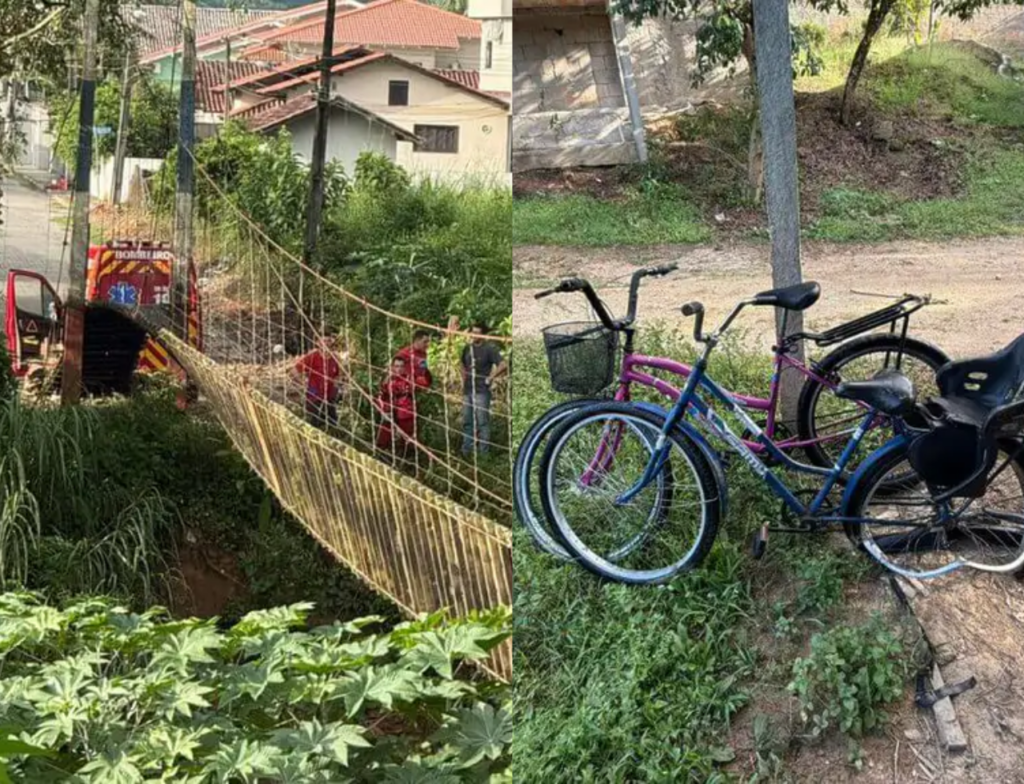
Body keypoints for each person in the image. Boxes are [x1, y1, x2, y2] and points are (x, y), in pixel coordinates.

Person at [461, 322, 507, 456]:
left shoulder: (489, 349)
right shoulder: (467, 348)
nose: (474, 335)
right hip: (468, 390)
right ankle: (466, 451)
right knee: (467, 421)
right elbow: (462, 363)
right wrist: (463, 378)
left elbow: (503, 364)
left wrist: (490, 377)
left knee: (482, 422)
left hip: (482, 390)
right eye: (472, 332)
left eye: (477, 333)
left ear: (483, 335)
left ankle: (483, 454)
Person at [293, 335, 343, 430]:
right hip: (315, 395)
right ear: (317, 342)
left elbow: (338, 375)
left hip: (329, 396)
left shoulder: (335, 358)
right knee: (315, 424)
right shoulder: (312, 356)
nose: (326, 343)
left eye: (328, 340)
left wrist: (337, 387)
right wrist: (302, 384)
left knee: (333, 424)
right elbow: (295, 370)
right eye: (323, 340)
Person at [376, 356, 416, 459]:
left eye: (401, 366)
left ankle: (407, 457)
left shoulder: (408, 379)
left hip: (404, 410)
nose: (399, 369)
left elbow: (410, 396)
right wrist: (384, 409)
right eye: (396, 366)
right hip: (390, 410)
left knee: (407, 435)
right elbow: (381, 396)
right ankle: (381, 453)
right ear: (392, 367)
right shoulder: (388, 380)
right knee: (384, 433)